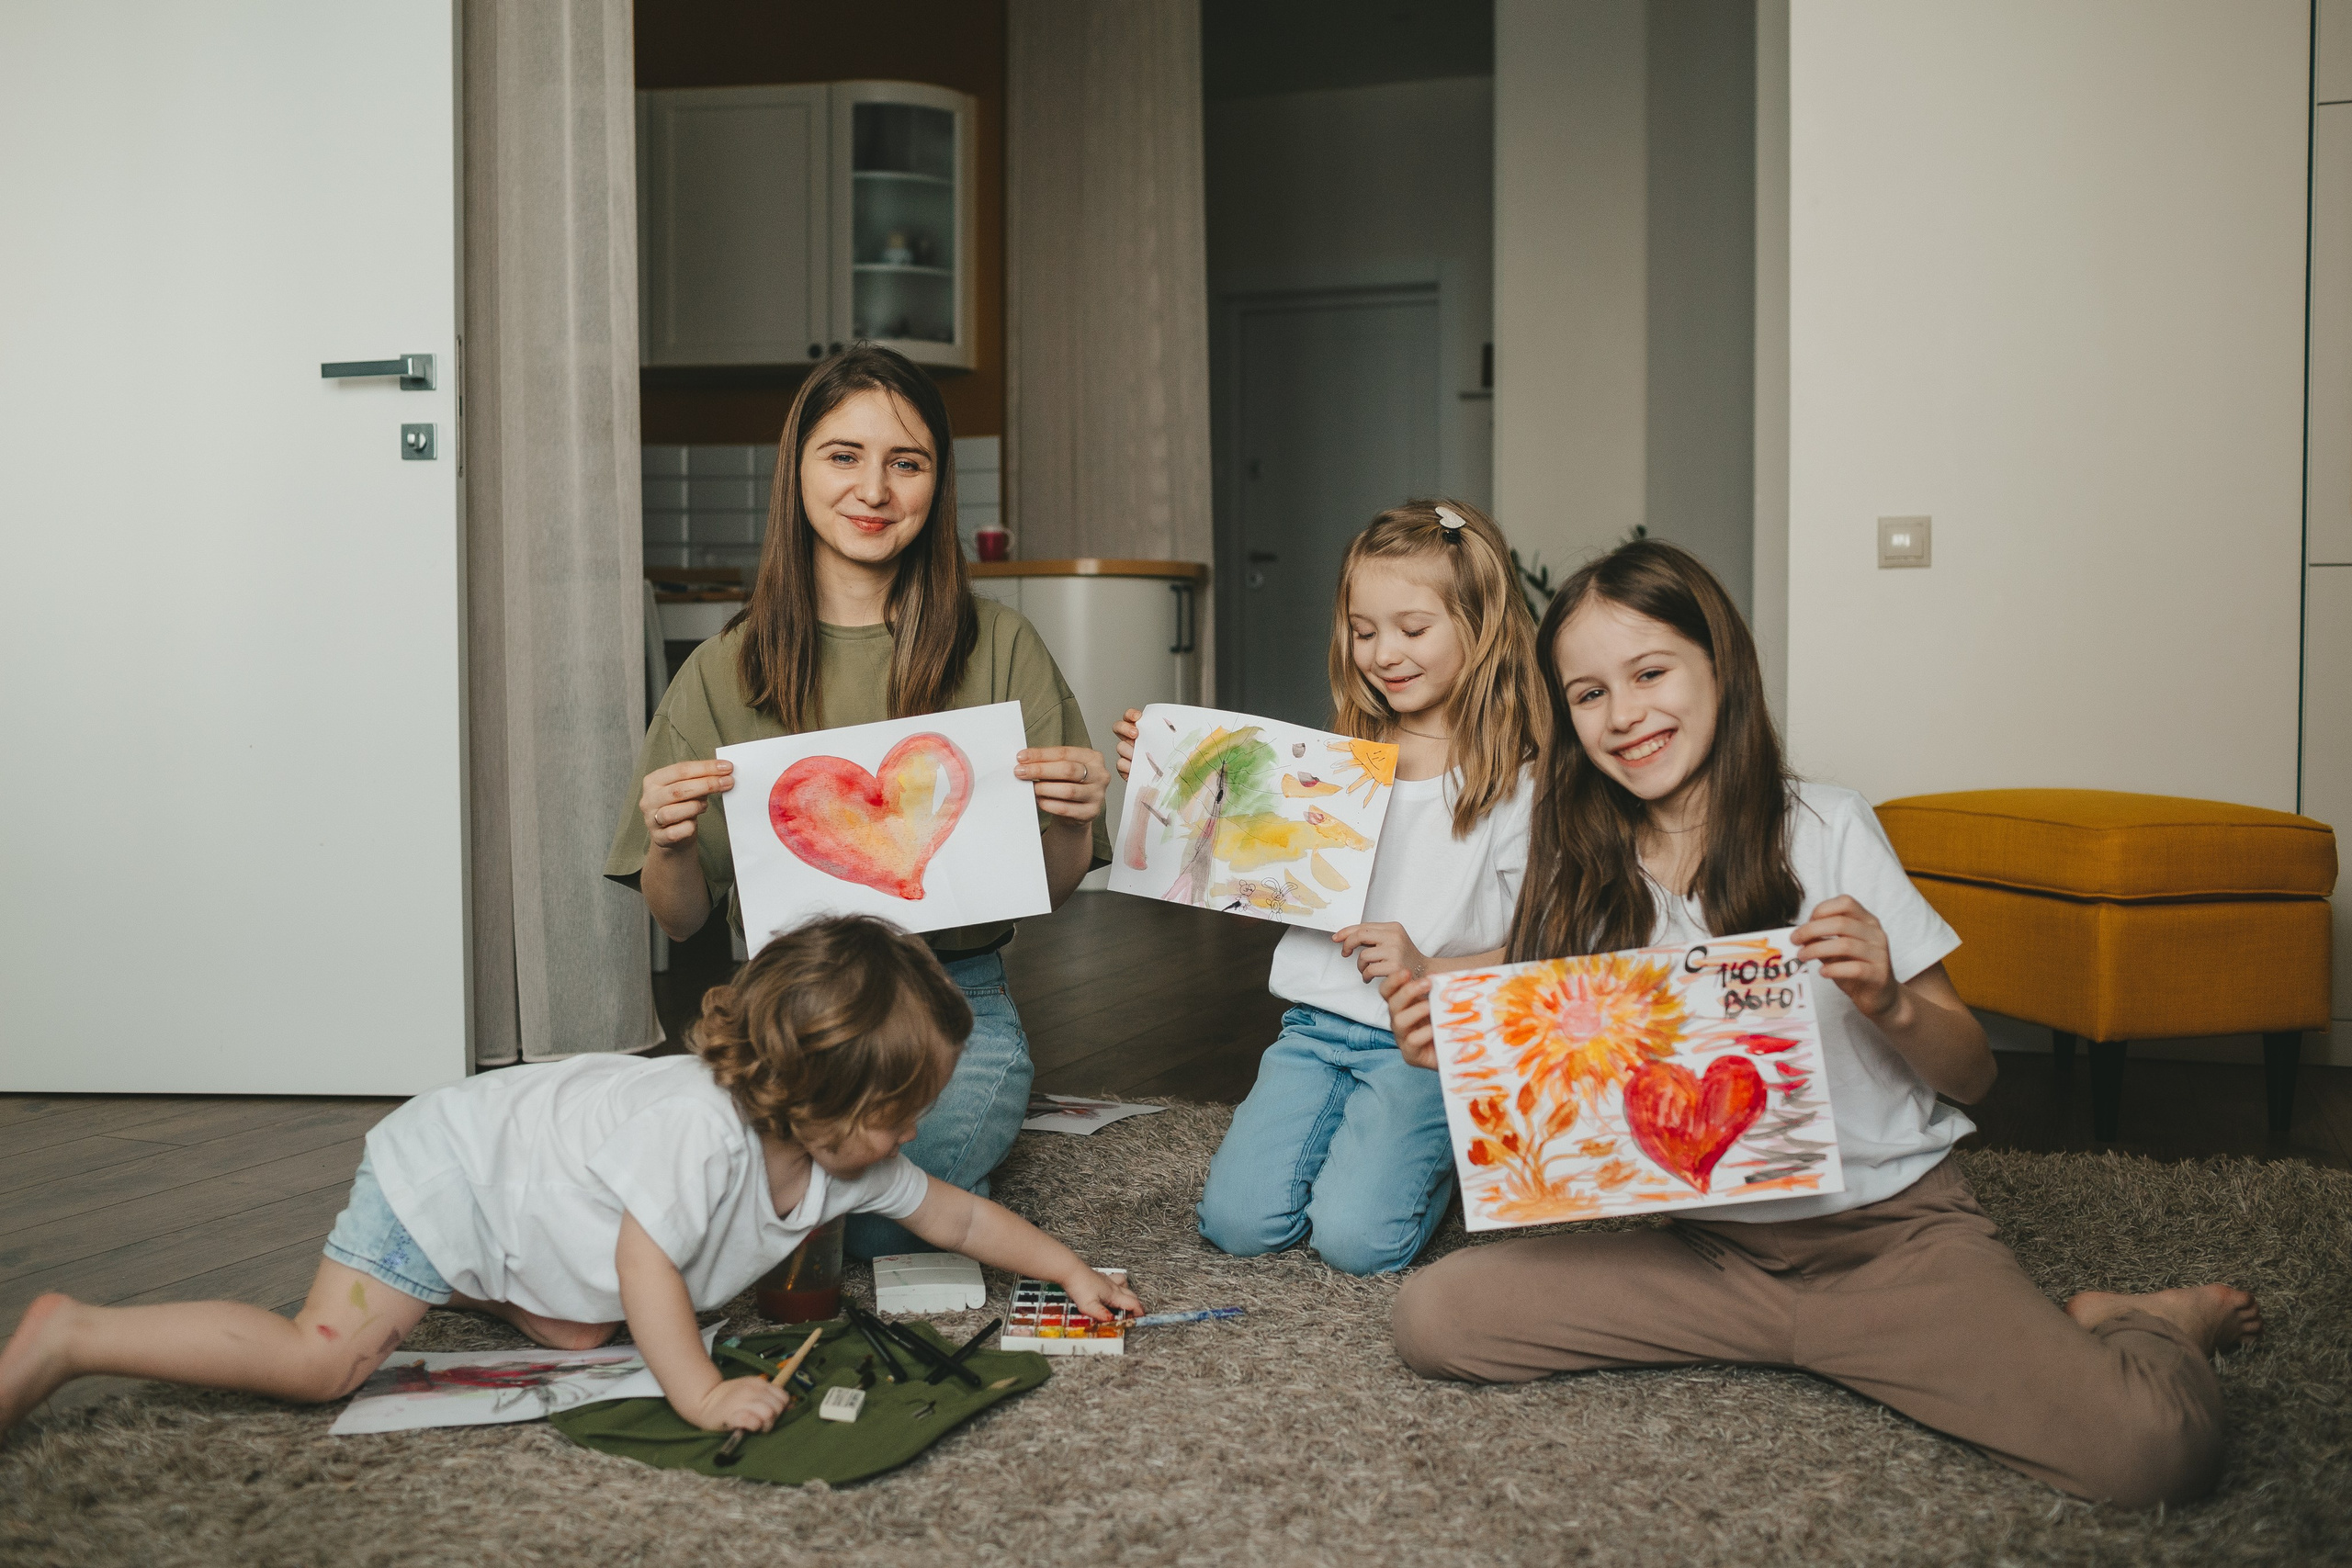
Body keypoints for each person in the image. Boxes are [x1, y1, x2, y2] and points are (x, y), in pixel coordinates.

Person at [1381, 537, 2261, 1507]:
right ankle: (1799, 1342)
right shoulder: (1580, 875)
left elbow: (1973, 1075)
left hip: (1891, 1243)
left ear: (1721, 664)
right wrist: (1453, 1052)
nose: (1624, 714)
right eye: (1588, 694)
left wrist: (1885, 998)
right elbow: (1567, 1100)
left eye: (1650, 672)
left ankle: (2146, 1321)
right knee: (1436, 1319)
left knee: (2155, 1458)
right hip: (1705, 1255)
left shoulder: (1830, 827)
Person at [0, 916, 1140, 1444]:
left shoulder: (848, 1158)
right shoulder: (701, 1137)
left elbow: (960, 1213)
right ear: (826, 1105)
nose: (920, 1131)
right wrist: (695, 1393)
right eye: (907, 1108)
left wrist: (1072, 1270)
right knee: (323, 1364)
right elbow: (648, 1262)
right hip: (453, 1174)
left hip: (539, 1176)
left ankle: (520, 1291)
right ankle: (74, 1333)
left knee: (581, 1335)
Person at [607, 344, 1111, 1259]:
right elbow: (680, 923)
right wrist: (671, 845)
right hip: (785, 1016)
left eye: (905, 462)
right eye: (843, 455)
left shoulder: (1000, 645)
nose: (873, 488)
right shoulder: (721, 668)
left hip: (953, 1004)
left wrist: (1073, 822)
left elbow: (1052, 885)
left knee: (868, 1219)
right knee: (696, 1202)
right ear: (796, 468)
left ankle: (948, 1178)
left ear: (935, 483)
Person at [1114, 501, 1545, 1275]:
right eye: (1363, 628)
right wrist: (1175, 785)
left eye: (1413, 629)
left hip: (1426, 1042)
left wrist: (1427, 966)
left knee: (1358, 1242)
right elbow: (1258, 890)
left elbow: (1541, 952)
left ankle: (1443, 1154)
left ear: (1480, 628)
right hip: (1314, 1027)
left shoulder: (1519, 786)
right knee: (1237, 1223)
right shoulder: (1334, 761)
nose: (1384, 652)